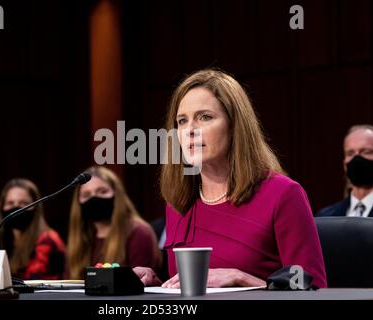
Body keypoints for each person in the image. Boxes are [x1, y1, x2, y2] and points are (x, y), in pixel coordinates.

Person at [133, 69, 327, 289]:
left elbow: (314, 289)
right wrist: (156, 285)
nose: (190, 130)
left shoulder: (283, 194)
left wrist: (241, 279)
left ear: (235, 125)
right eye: (182, 121)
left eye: (204, 117)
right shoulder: (178, 203)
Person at [66, 166, 161, 279]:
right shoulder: (80, 236)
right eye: (86, 195)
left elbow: (142, 283)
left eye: (102, 191)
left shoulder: (139, 232)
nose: (94, 198)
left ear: (117, 194)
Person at [0, 178, 66, 280]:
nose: (16, 208)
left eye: (23, 203)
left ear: (36, 207)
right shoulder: (2, 239)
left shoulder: (48, 239)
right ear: (2, 207)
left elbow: (32, 281)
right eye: (10, 203)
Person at [317, 125, 373, 217]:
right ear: (344, 164)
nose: (357, 158)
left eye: (366, 151)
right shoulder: (325, 216)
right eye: (350, 153)